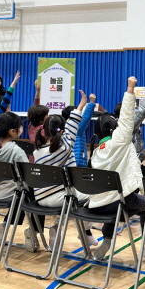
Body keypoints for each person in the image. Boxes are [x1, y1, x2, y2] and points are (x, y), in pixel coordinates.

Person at [87, 76, 145, 261]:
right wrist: (130, 88)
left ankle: (107, 240)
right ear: (115, 130)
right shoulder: (119, 142)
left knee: (114, 197)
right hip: (118, 204)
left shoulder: (96, 153)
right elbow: (126, 116)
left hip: (98, 205)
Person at [33, 90, 87, 248]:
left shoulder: (37, 152)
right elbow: (72, 126)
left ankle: (57, 227)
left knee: (70, 195)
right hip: (58, 199)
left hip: (40, 198)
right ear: (61, 131)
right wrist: (81, 105)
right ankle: (85, 231)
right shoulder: (65, 148)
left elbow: (69, 129)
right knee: (92, 196)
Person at [0, 111, 44, 251]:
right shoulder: (16, 151)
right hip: (11, 194)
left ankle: (6, 224)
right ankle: (33, 231)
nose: (22, 128)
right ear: (12, 131)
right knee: (39, 196)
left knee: (22, 196)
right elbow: (27, 176)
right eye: (20, 126)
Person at [113, 84, 145, 163]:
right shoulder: (128, 124)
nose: (135, 107)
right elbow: (141, 112)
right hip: (133, 158)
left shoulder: (119, 122)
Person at [63, 93, 97, 168]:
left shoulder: (65, 126)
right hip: (77, 162)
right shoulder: (77, 127)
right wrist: (91, 103)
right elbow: (86, 118)